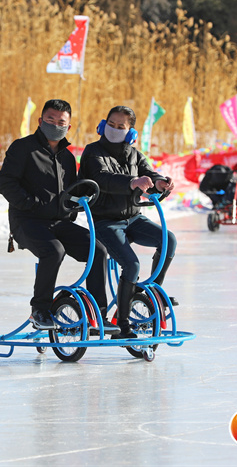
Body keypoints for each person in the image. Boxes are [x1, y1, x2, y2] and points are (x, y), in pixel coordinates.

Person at [0, 99, 112, 333]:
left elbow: (70, 192)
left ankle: (98, 315)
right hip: (27, 221)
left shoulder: (67, 157)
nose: (55, 125)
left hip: (58, 222)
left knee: (98, 250)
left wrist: (82, 198)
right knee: (53, 251)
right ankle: (40, 309)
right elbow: (5, 183)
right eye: (50, 120)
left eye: (61, 122)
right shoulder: (23, 148)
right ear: (40, 121)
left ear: (68, 127)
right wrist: (31, 204)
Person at [79, 105, 176, 340]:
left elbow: (148, 172)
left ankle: (153, 292)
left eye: (120, 126)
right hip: (105, 222)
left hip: (133, 218)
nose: (114, 129)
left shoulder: (134, 154)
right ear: (103, 125)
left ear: (130, 132)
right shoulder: (93, 152)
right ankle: (122, 323)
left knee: (168, 240)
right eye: (111, 124)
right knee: (132, 266)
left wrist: (159, 182)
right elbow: (102, 178)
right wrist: (132, 182)